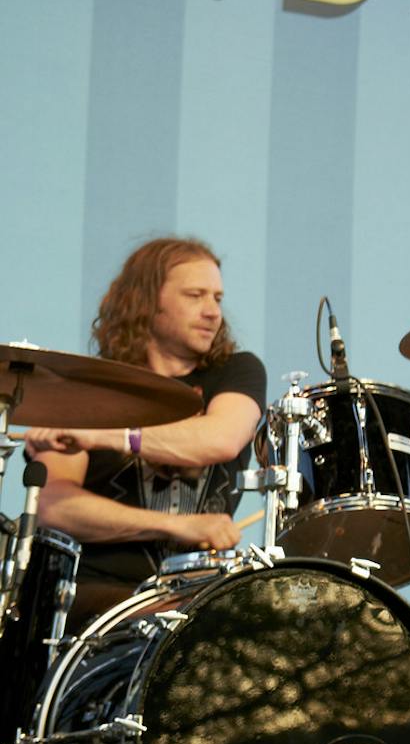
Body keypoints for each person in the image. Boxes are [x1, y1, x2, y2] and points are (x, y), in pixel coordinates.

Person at [26, 237, 266, 620]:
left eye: (217, 299)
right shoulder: (86, 391)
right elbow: (54, 507)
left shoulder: (236, 371)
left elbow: (221, 439)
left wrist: (103, 436)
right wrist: (178, 526)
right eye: (195, 295)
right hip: (97, 599)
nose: (212, 312)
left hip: (198, 592)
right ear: (148, 302)